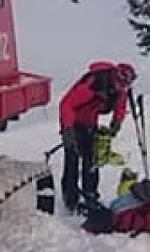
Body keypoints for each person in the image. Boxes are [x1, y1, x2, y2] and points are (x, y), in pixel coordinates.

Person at [58, 60, 136, 213]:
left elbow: (121, 105)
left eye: (125, 85)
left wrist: (117, 122)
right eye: (121, 83)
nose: (122, 87)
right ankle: (70, 197)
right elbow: (66, 104)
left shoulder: (119, 90)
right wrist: (67, 130)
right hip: (72, 120)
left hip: (90, 121)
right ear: (115, 76)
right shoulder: (94, 83)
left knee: (92, 159)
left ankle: (90, 194)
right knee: (72, 157)